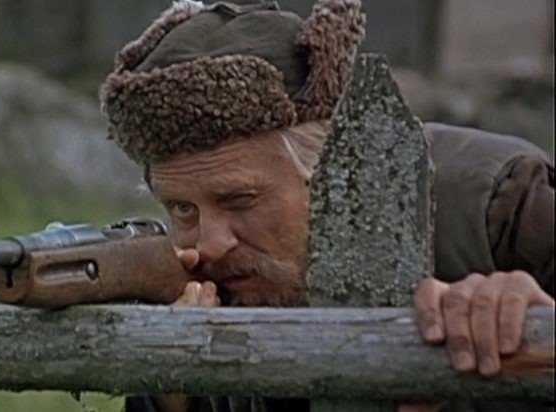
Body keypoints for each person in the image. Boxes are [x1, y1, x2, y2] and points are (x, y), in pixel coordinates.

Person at [98, 1, 555, 411]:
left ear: (332, 170)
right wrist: (172, 393)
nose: (210, 245)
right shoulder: (201, 295)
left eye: (239, 200)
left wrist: (531, 317)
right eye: (182, 209)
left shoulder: (498, 208)